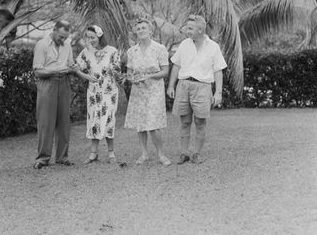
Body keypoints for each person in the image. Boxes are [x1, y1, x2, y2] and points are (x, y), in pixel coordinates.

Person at [166, 15, 227, 165]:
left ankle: (196, 154)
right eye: (187, 27)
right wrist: (171, 86)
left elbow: (218, 70)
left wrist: (218, 92)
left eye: (190, 28)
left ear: (200, 30)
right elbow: (176, 65)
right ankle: (184, 153)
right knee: (185, 121)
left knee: (200, 122)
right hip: (184, 85)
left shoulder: (213, 46)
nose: (187, 30)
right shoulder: (184, 45)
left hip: (203, 87)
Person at [124, 17, 171, 166]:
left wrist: (150, 76)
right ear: (135, 32)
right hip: (138, 90)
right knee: (141, 123)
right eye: (138, 29)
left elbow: (165, 72)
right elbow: (129, 73)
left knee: (153, 124)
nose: (141, 30)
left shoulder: (159, 48)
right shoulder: (132, 51)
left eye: (144, 28)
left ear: (150, 30)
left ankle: (161, 155)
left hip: (154, 90)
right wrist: (132, 78)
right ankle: (144, 154)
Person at [32, 20, 77, 169]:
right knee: (46, 121)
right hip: (47, 83)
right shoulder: (42, 45)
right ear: (55, 30)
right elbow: (37, 71)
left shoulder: (67, 45)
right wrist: (56, 71)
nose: (63, 40)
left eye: (66, 37)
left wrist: (72, 68)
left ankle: (62, 157)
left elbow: (70, 65)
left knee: (64, 121)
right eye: (61, 37)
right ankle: (43, 158)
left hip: (64, 83)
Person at [74, 25, 122, 164]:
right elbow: (76, 68)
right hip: (93, 92)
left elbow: (118, 70)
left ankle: (111, 153)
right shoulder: (85, 52)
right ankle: (93, 153)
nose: (90, 40)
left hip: (109, 92)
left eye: (92, 37)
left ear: (99, 36)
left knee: (108, 120)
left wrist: (111, 70)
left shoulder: (112, 51)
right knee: (94, 120)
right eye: (88, 37)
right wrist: (86, 77)